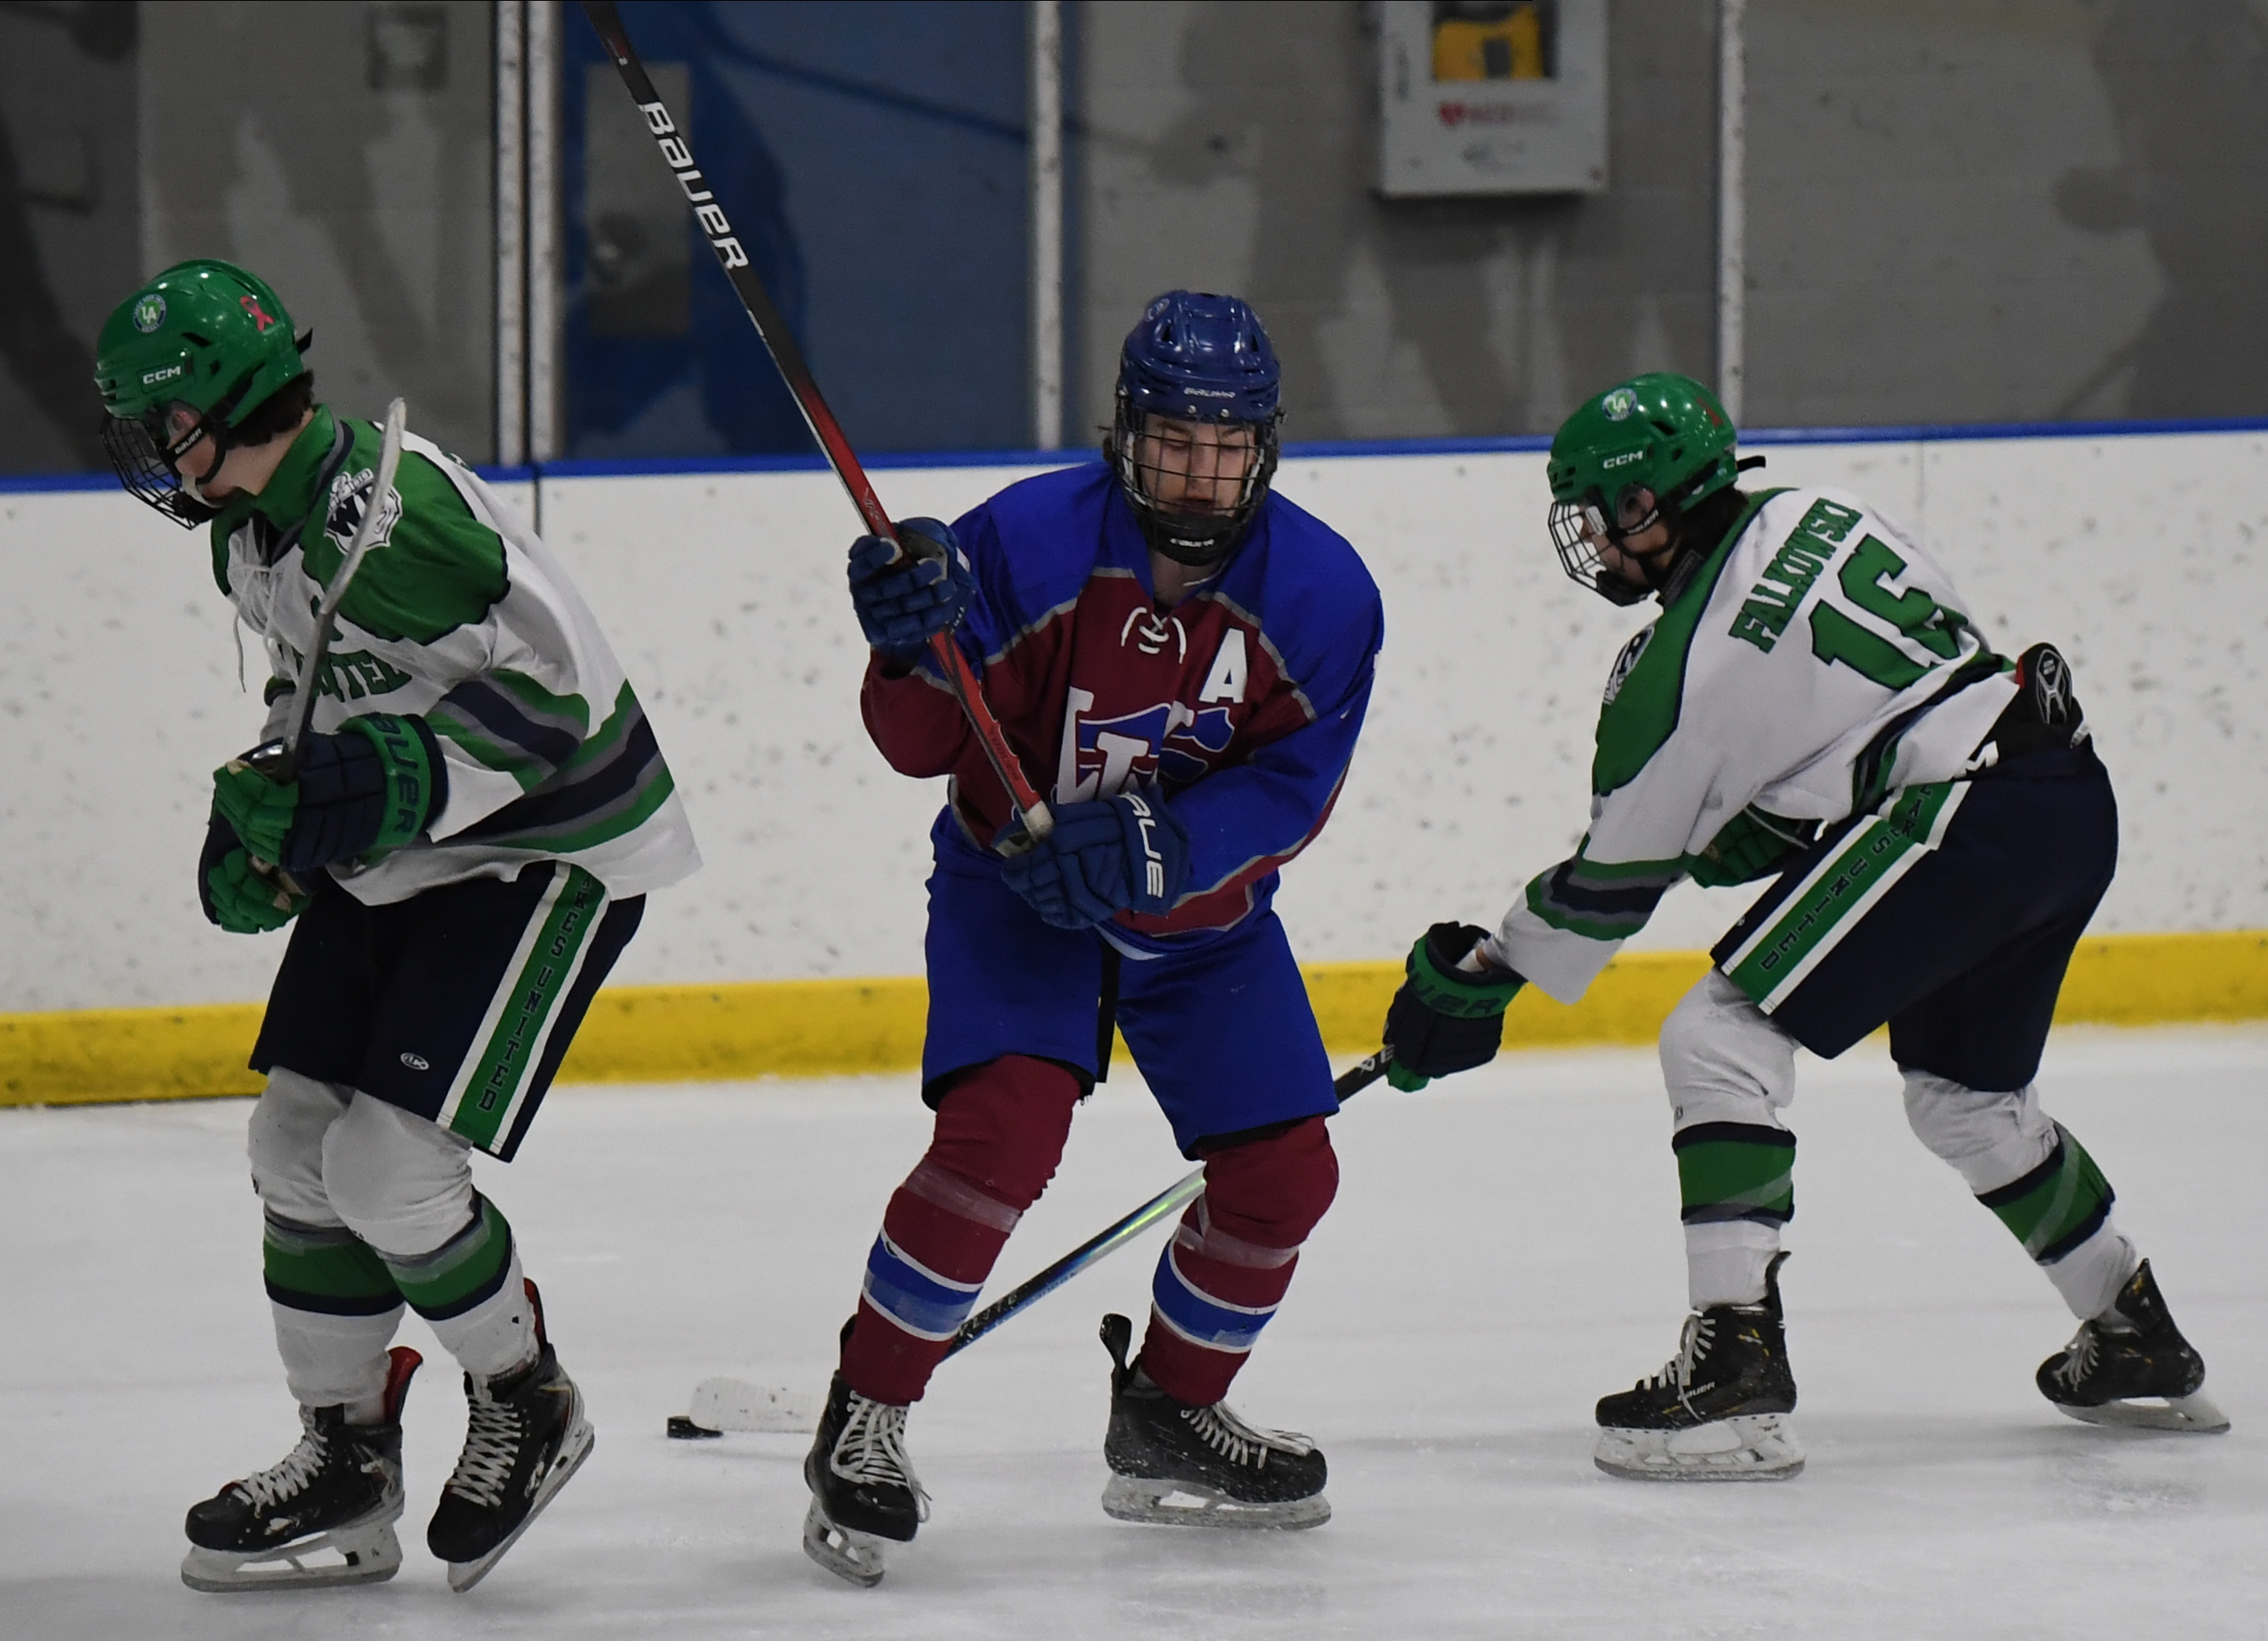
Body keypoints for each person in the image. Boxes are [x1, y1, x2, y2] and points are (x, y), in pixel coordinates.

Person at [1381, 371, 2224, 1482]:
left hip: (1956, 818)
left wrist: (1479, 977)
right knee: (1966, 1105)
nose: (1592, 545)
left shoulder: (1672, 675)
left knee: (1715, 1037)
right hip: (2060, 798)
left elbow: (1606, 891)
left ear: (1648, 509)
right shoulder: (1824, 514)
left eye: (1600, 515)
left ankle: (1732, 1370)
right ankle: (2134, 1331)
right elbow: (1855, 720)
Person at [92, 259, 700, 1590]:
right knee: (292, 1145)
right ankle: (347, 1462)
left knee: (386, 1174)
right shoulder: (249, 532)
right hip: (415, 856)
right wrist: (277, 817)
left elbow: (562, 701)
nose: (154, 454)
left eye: (165, 424)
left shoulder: (392, 512)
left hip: (549, 850)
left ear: (230, 400)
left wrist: (405, 782)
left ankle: (527, 1395)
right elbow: (325, 693)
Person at [800, 291, 1384, 1585]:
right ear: (1127, 435)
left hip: (1202, 926)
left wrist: (1157, 851)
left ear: (1264, 448)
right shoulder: (1023, 539)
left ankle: (1171, 1412)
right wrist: (906, 660)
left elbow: (1292, 790)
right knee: (1005, 1131)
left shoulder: (1328, 594)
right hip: (1016, 889)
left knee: (1286, 1176)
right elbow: (922, 750)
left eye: (1223, 447)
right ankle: (869, 1410)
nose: (1197, 471)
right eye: (1173, 441)